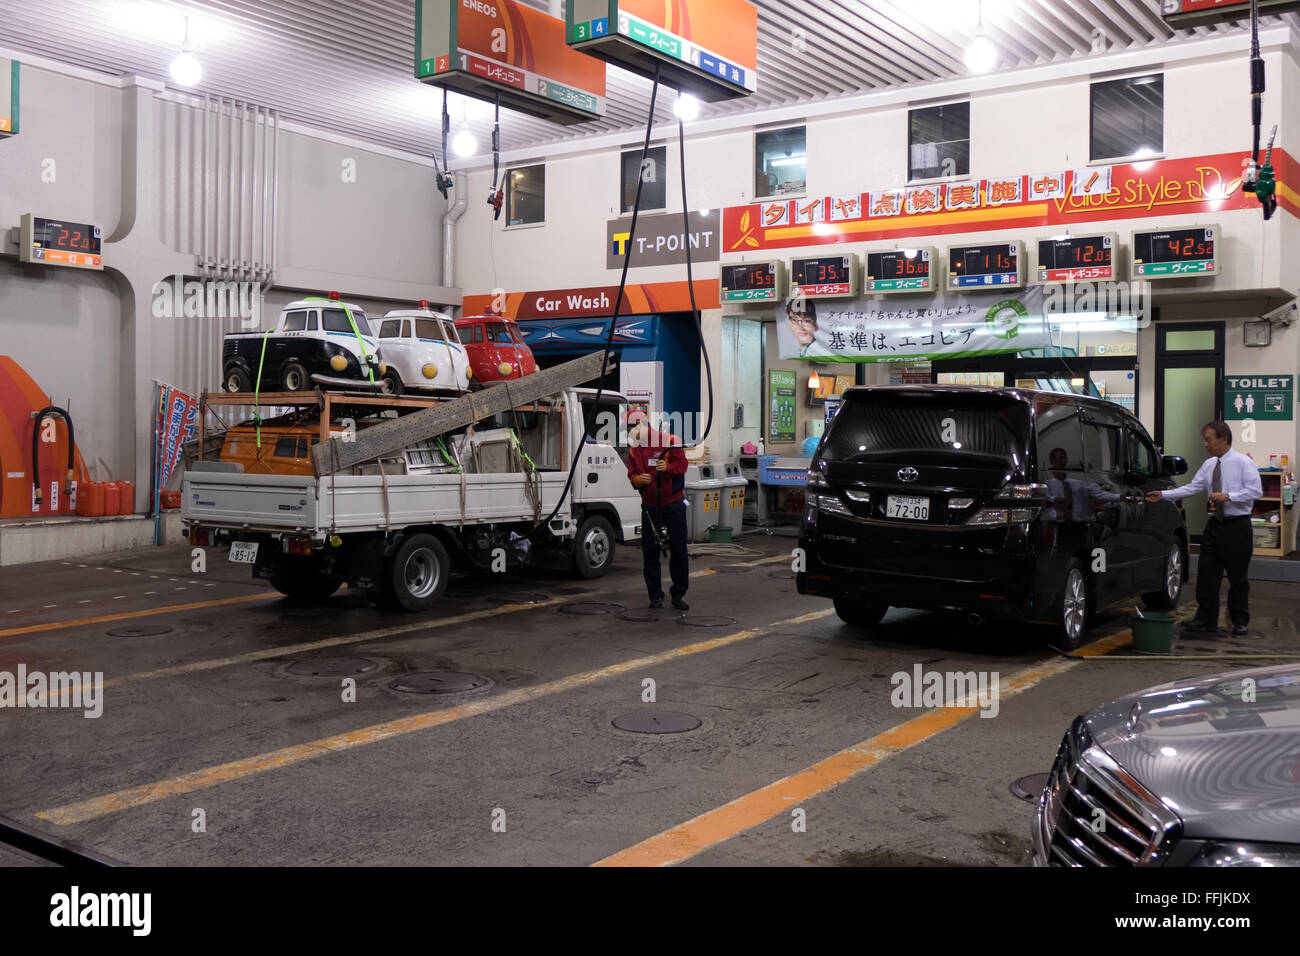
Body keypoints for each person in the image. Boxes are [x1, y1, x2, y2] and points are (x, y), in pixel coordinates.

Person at [1146, 420, 1262, 636]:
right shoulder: (1209, 465)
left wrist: (1229, 496)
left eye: (1208, 440)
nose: (1205, 444)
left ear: (1223, 438)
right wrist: (1163, 495)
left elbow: (1255, 491)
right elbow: (1192, 488)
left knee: (1237, 576)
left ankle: (1239, 620)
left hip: (1237, 525)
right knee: (1207, 573)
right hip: (1215, 525)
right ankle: (1206, 619)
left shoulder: (1243, 463)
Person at [625, 409, 690, 610]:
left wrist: (667, 468)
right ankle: (655, 596)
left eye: (632, 428)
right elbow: (631, 474)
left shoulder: (670, 441)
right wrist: (637, 479)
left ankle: (678, 594)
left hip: (673, 503)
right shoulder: (634, 449)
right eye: (627, 429)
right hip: (650, 506)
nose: (630, 433)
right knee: (650, 552)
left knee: (678, 549)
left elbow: (682, 466)